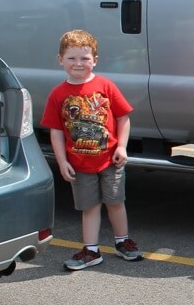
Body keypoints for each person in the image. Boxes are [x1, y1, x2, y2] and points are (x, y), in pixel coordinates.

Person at [41, 29, 143, 271]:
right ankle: (92, 250)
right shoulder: (58, 94)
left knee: (116, 202)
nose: (78, 63)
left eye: (85, 58)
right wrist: (62, 160)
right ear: (60, 60)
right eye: (72, 58)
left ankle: (122, 241)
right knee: (90, 207)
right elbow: (55, 131)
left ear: (95, 60)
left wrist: (122, 146)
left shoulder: (105, 86)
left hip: (110, 160)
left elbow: (123, 118)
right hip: (79, 164)